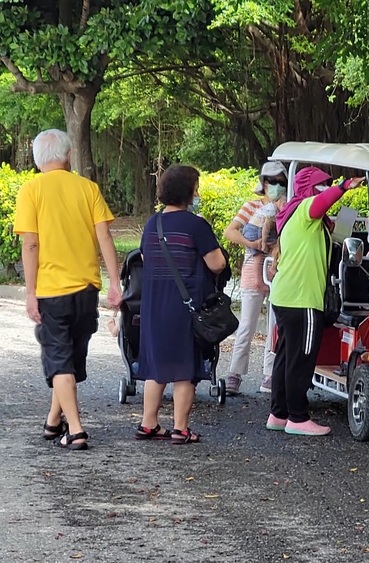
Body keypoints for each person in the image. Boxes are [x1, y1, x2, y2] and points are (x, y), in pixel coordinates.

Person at [13, 129, 122, 451]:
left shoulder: (31, 190)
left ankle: (75, 430)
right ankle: (53, 421)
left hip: (51, 292)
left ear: (37, 160)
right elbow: (104, 237)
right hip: (86, 289)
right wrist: (115, 282)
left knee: (60, 361)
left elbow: (30, 244)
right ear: (69, 155)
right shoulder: (88, 188)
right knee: (70, 358)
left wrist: (30, 293)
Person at [267, 166, 365, 436]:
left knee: (286, 355)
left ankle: (279, 413)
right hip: (303, 298)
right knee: (302, 357)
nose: (326, 189)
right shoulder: (305, 209)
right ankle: (298, 417)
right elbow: (321, 202)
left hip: (285, 296)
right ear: (310, 188)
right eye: (322, 185)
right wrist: (344, 187)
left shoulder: (294, 215)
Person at [135, 165, 227, 444]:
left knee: (157, 365)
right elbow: (217, 264)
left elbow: (144, 257)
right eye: (196, 188)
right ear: (187, 192)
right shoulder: (196, 226)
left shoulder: (153, 223)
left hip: (154, 306)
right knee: (185, 368)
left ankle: (148, 423)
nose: (197, 193)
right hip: (185, 307)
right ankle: (180, 428)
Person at [223, 162, 287, 395]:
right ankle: (235, 372)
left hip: (278, 269)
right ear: (263, 182)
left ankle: (270, 373)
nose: (276, 185)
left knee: (275, 325)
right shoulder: (251, 206)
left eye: (281, 181)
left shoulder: (287, 206)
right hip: (254, 267)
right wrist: (251, 243)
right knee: (247, 324)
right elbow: (230, 231)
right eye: (272, 181)